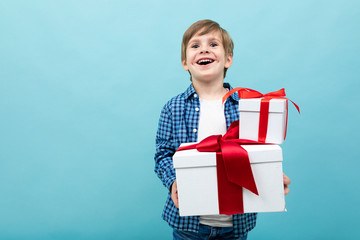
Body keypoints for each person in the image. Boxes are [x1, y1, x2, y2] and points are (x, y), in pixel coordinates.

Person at [154, 19, 291, 240]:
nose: (204, 49)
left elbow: (257, 154)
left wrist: (271, 178)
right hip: (188, 225)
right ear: (185, 63)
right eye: (195, 45)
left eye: (213, 44)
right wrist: (173, 181)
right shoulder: (173, 108)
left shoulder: (247, 107)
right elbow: (162, 155)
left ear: (228, 59)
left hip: (235, 224)